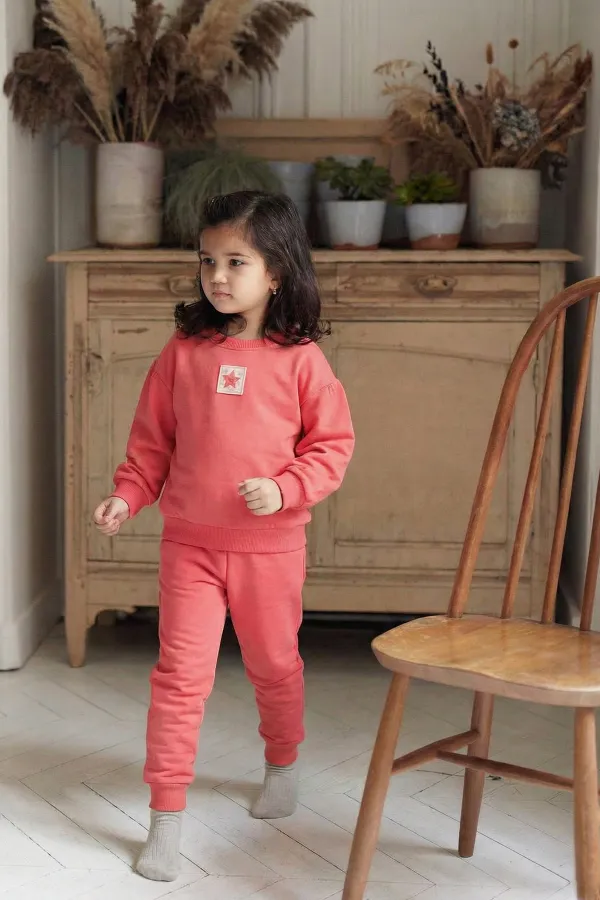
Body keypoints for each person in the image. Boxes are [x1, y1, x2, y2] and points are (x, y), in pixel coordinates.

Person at [93, 190, 355, 882]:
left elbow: (332, 448)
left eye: (236, 261)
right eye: (208, 259)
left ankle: (283, 763)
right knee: (179, 678)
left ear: (276, 272)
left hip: (271, 551)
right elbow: (151, 445)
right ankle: (166, 818)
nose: (217, 275)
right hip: (190, 546)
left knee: (274, 665)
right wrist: (127, 496)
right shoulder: (183, 352)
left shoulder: (301, 362)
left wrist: (286, 488)